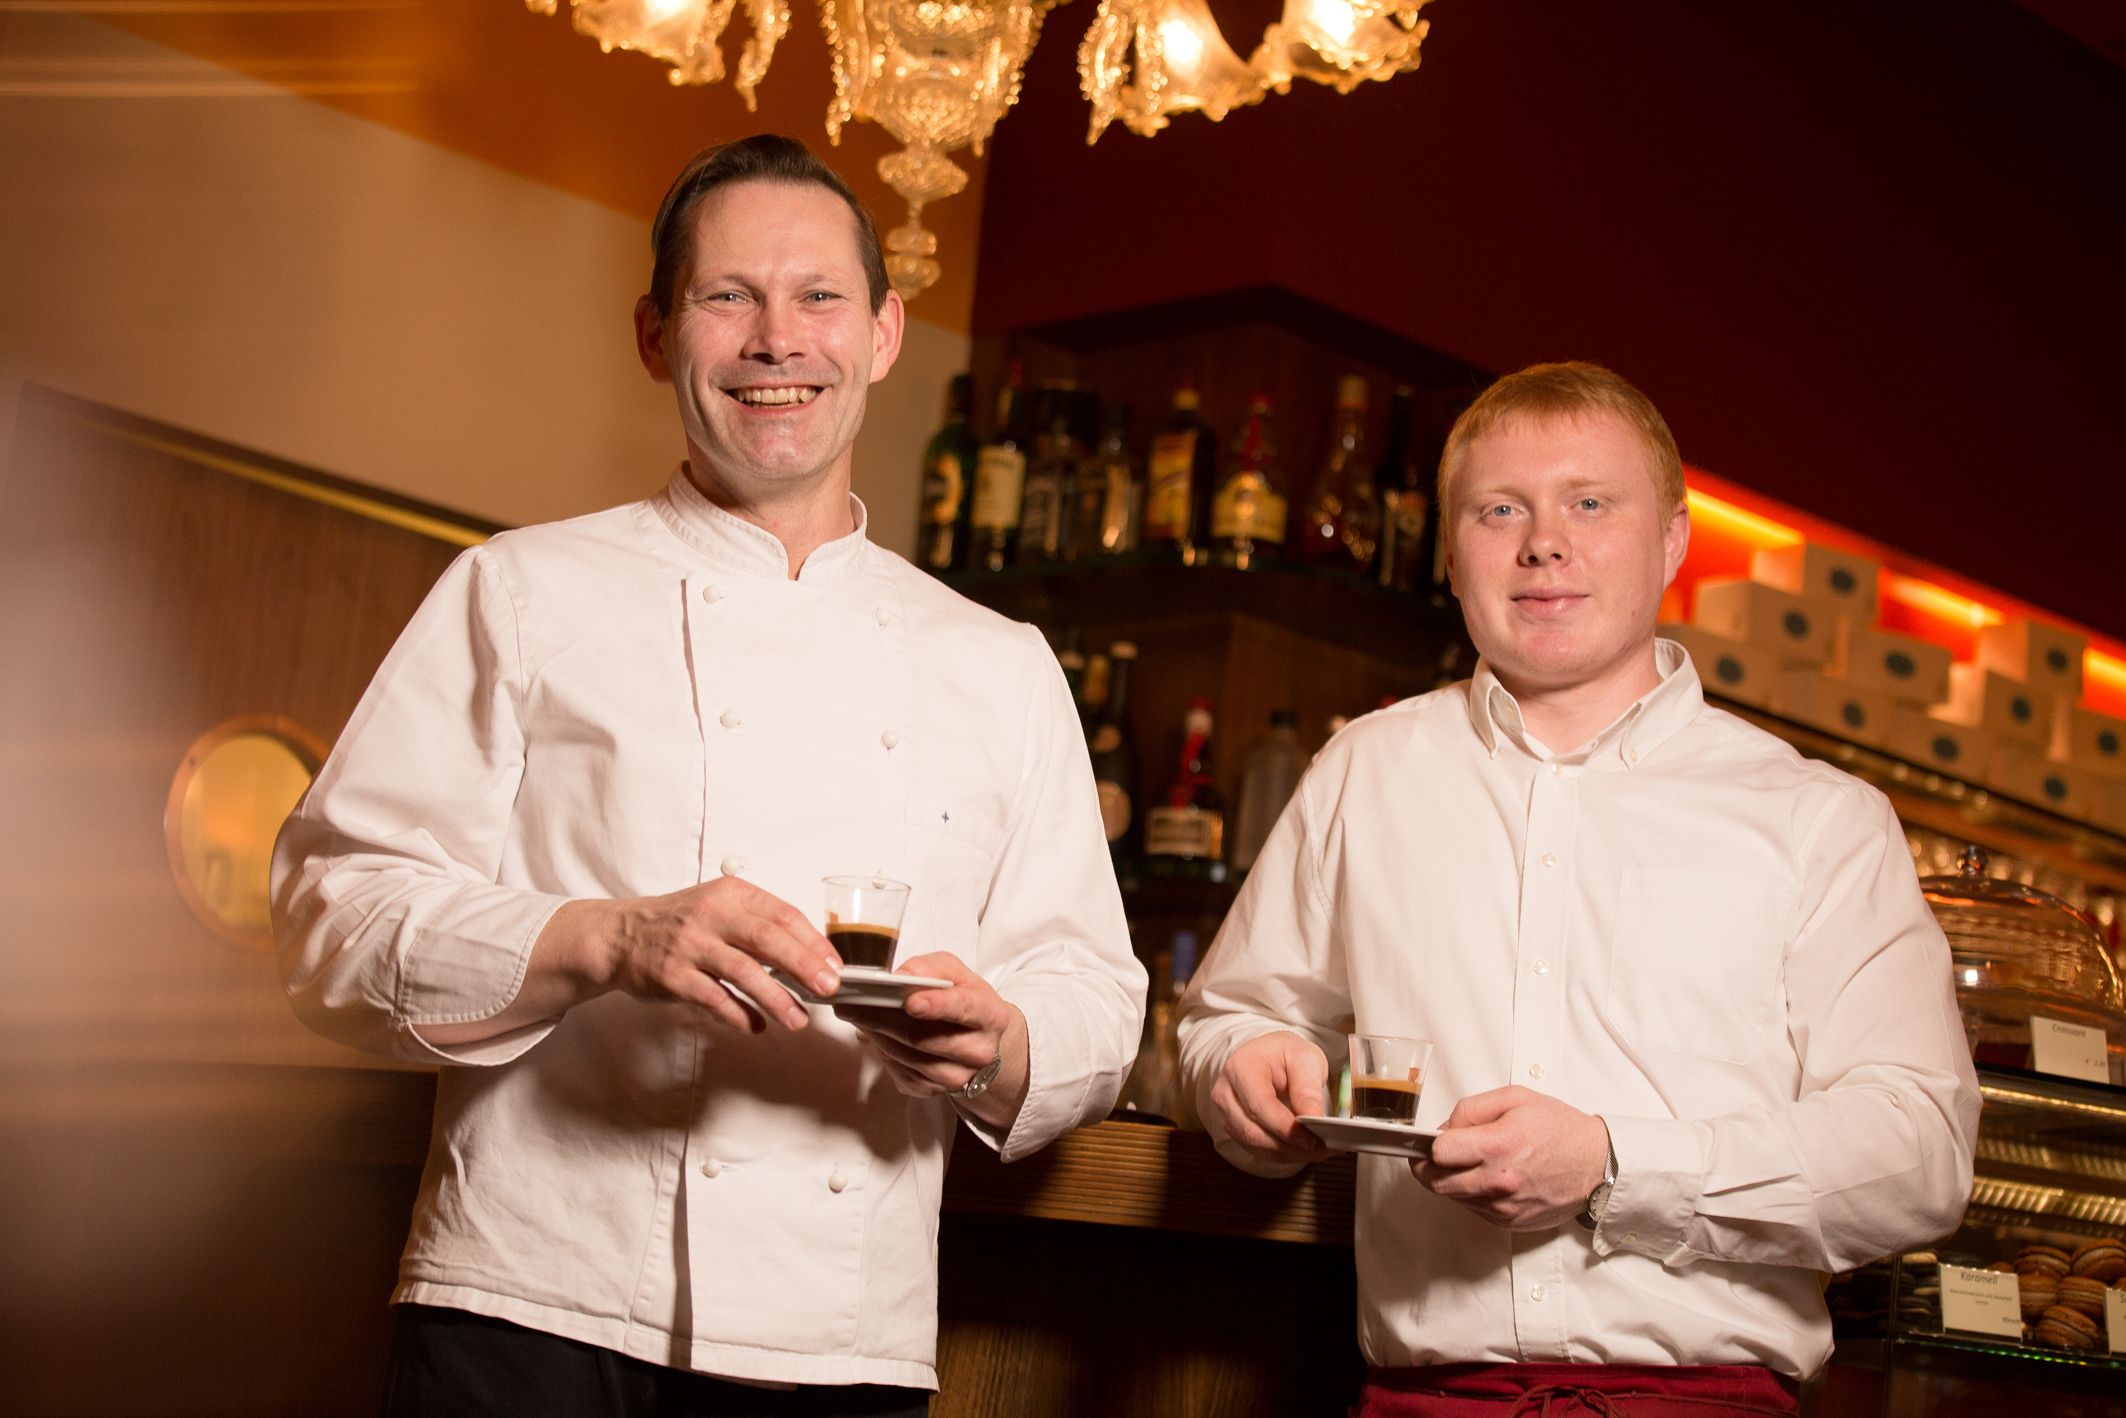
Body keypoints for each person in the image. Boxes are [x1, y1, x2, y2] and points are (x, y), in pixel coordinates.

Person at [272, 134, 1145, 1417]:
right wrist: (602, 938)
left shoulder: (998, 662)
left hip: (840, 1337)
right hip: (531, 1306)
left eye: (818, 299)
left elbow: (1095, 996)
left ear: (886, 333)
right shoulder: (518, 589)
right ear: (654, 331)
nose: (774, 340)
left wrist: (1001, 1041)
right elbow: (328, 923)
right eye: (727, 296)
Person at [1176, 361, 1979, 1415]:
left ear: (1673, 540)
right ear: (1451, 552)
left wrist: (1613, 1165)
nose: (1541, 542)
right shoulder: (1363, 769)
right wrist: (1242, 1068)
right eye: (1497, 508)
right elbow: (1232, 1018)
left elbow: (1917, 1151)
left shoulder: (1816, 817)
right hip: (1419, 1399)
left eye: (1588, 503)